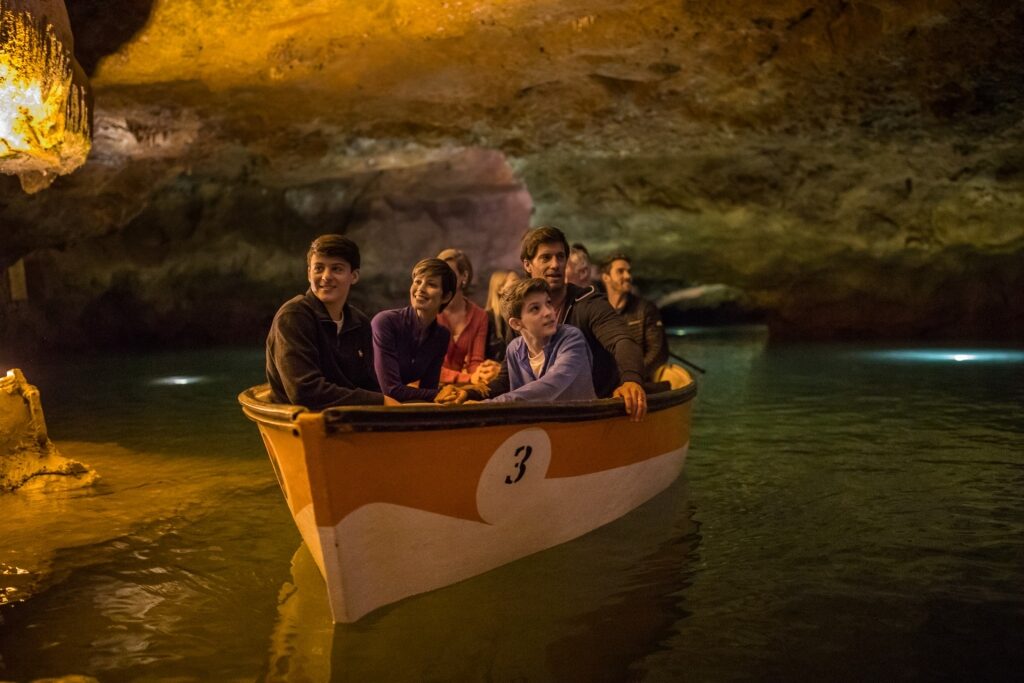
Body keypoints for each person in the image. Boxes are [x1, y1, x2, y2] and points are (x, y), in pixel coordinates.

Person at [467, 227, 648, 421]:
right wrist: (472, 394)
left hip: (594, 412)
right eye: (546, 258)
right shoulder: (519, 320)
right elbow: (506, 379)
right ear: (527, 265)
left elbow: (622, 340)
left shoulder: (588, 304)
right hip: (543, 414)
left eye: (561, 257)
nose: (556, 264)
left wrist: (631, 380)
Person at [265, 235, 397, 410]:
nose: (326, 276)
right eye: (318, 268)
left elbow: (369, 384)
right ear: (308, 274)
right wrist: (379, 401)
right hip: (303, 421)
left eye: (337, 269)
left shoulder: (360, 323)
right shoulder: (293, 316)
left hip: (349, 419)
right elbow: (304, 391)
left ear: (354, 276)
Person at [484, 278, 595, 403]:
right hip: (540, 421)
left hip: (581, 420)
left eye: (548, 303)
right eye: (535, 308)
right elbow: (518, 398)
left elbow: (551, 385)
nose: (549, 312)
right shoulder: (514, 349)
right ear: (516, 323)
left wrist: (488, 405)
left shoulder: (571, 337)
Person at [371, 258, 456, 403]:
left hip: (396, 408)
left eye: (431, 284)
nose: (420, 289)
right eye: (417, 281)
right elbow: (391, 390)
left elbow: (430, 387)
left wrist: (447, 395)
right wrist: (439, 394)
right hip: (364, 405)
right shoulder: (385, 322)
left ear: (446, 296)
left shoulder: (442, 335)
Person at [600, 253, 669, 382]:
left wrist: (631, 376)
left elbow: (657, 351)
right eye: (621, 271)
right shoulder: (599, 310)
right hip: (606, 383)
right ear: (606, 277)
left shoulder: (645, 309)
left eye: (629, 271)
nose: (628, 276)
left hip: (639, 382)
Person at [436, 248, 493, 384]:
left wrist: (482, 374)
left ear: (464, 276)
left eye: (449, 273)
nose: (443, 279)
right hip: (429, 386)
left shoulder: (480, 316)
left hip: (463, 385)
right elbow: (427, 368)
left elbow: (475, 361)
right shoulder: (430, 313)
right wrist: (468, 378)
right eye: (439, 274)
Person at [483, 269, 521, 362]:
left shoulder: (519, 315)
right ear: (500, 289)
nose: (520, 283)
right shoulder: (487, 318)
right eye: (515, 280)